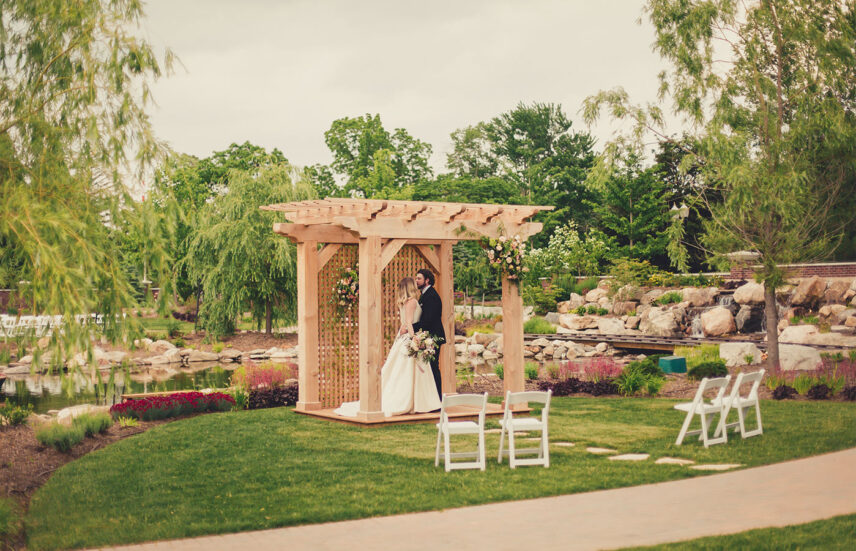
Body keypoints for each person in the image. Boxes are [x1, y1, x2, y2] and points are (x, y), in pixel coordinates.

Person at [333, 277, 442, 417]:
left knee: (405, 372)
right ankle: (416, 402)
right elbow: (409, 322)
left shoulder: (404, 302)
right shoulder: (412, 301)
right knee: (409, 372)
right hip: (410, 338)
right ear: (410, 287)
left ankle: (419, 402)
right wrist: (414, 338)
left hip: (403, 338)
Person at [412, 268, 446, 400]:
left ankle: (438, 399)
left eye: (419, 278)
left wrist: (410, 327)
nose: (416, 281)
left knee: (433, 367)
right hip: (427, 337)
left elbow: (427, 320)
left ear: (427, 280)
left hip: (433, 337)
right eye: (416, 278)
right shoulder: (425, 295)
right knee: (428, 368)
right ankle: (431, 399)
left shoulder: (431, 296)